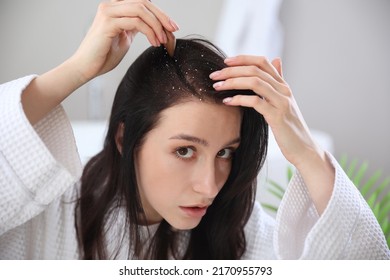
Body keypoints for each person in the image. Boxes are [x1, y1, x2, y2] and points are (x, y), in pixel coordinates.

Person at [0, 0, 389, 259]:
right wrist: (76, 70)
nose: (210, 186)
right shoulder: (46, 214)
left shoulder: (240, 231)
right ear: (125, 138)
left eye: (225, 153)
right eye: (184, 150)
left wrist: (307, 152)